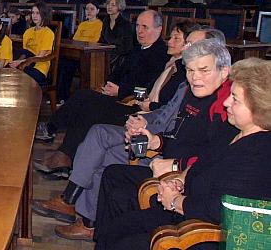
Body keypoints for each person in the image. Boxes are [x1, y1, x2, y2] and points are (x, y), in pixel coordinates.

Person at [33, 26, 217, 240]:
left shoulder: (198, 88)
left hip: (157, 141)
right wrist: (143, 119)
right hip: (147, 122)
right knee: (93, 123)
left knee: (99, 134)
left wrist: (149, 129)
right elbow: (162, 109)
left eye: (190, 43)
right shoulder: (183, 77)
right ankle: (77, 207)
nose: (186, 47)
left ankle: (81, 212)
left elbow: (176, 126)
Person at [95, 57, 271, 250]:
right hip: (186, 207)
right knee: (116, 227)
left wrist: (175, 201)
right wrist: (180, 180)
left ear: (259, 108)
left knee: (124, 241)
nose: (227, 102)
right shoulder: (232, 131)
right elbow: (202, 163)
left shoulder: (258, 155)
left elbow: (220, 212)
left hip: (203, 234)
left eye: (235, 99)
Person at [34, 10, 169, 172]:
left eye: (145, 27)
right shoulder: (137, 49)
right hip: (118, 96)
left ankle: (62, 149)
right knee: (83, 96)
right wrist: (108, 85)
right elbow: (118, 72)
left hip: (134, 106)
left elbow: (147, 88)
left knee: (90, 106)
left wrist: (120, 91)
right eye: (138, 26)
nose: (139, 31)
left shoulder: (161, 54)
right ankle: (60, 145)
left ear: (158, 29)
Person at [57, 0, 103, 103]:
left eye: (92, 9)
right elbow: (75, 39)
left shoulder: (100, 25)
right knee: (63, 64)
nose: (89, 11)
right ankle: (61, 97)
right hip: (77, 53)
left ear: (97, 11)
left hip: (89, 55)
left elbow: (95, 41)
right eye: (87, 9)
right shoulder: (82, 24)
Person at [10, 2, 55, 85]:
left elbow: (41, 56)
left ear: (44, 15)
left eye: (37, 13)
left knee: (19, 78)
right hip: (25, 64)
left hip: (39, 66)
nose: (34, 16)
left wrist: (20, 62)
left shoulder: (48, 33)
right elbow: (24, 52)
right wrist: (18, 62)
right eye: (33, 13)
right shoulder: (27, 32)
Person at [99, 0, 135, 72]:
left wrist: (110, 51)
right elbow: (101, 40)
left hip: (119, 56)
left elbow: (127, 47)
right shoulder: (105, 20)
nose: (109, 7)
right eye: (108, 4)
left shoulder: (125, 24)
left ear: (119, 6)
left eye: (113, 5)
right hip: (106, 53)